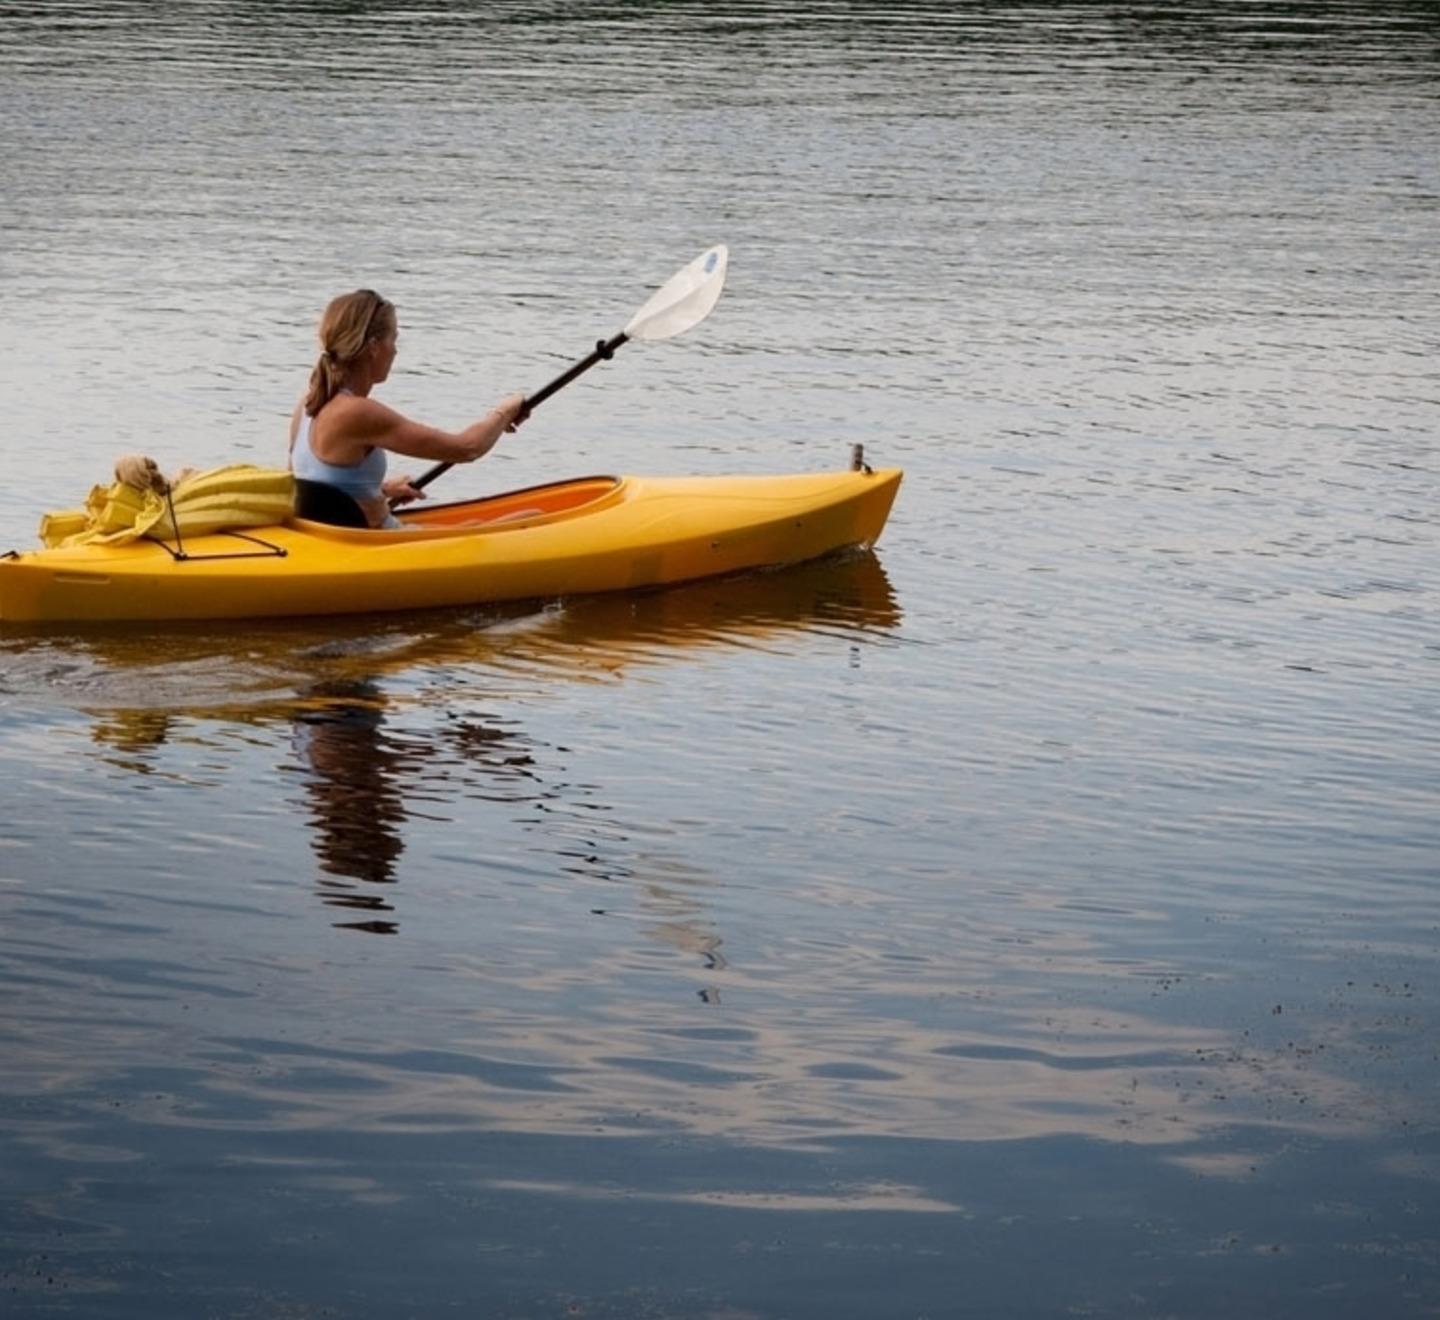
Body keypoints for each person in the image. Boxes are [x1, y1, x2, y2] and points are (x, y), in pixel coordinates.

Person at [288, 288, 526, 528]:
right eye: (393, 339)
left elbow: (308, 487)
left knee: (476, 522)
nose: (395, 350)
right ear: (373, 347)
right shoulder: (357, 413)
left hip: (323, 537)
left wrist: (380, 490)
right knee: (530, 517)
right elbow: (467, 448)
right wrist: (504, 412)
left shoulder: (308, 404)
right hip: (376, 546)